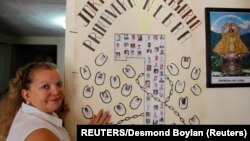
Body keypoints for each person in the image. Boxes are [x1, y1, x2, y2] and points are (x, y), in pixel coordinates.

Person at [0, 61, 112, 141]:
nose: (56, 91)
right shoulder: (39, 134)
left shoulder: (31, 115)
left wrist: (55, 120)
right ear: (27, 95)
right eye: (45, 86)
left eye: (59, 84)